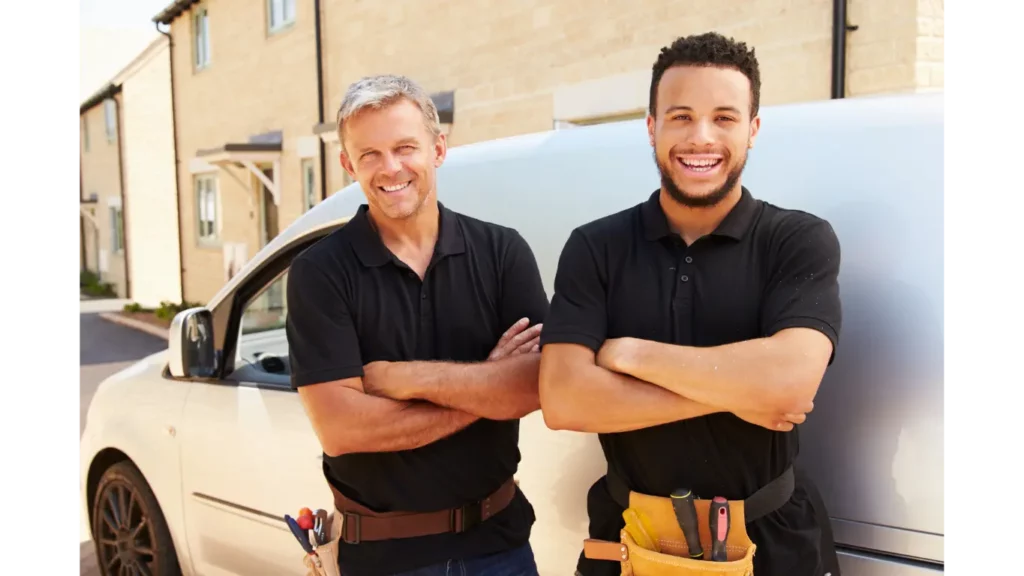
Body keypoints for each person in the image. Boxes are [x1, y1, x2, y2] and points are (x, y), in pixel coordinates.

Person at [537, 32, 843, 576]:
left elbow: (789, 386)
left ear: (752, 130)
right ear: (652, 127)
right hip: (629, 541)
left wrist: (628, 354)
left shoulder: (797, 240)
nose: (701, 138)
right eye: (680, 117)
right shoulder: (596, 247)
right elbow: (564, 401)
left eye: (724, 118)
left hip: (772, 543)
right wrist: (741, 395)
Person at [285, 74, 549, 576]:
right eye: (370, 155)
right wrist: (485, 386)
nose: (391, 168)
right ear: (347, 164)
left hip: (502, 548)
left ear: (438, 148)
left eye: (405, 147)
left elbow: (536, 385)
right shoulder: (320, 273)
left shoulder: (501, 252)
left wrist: (402, 378)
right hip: (386, 559)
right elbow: (341, 429)